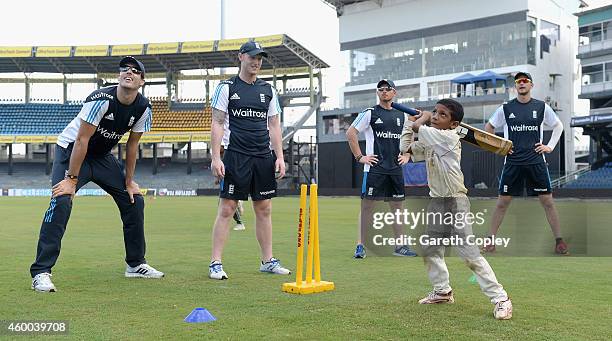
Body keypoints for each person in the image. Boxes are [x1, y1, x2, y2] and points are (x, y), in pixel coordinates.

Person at [30, 56, 164, 292]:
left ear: (142, 81)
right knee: (61, 200)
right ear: (119, 76)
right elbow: (82, 139)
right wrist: (71, 180)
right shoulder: (100, 99)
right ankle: (41, 272)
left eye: (135, 70)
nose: (128, 72)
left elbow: (132, 146)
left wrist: (130, 182)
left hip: (101, 157)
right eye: (124, 69)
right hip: (72, 150)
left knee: (134, 200)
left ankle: (135, 264)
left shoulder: (144, 107)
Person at [400, 99, 512, 320]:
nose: (435, 116)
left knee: (470, 256)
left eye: (442, 115)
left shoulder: (449, 137)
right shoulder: (431, 136)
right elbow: (407, 149)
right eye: (434, 112)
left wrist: (417, 121)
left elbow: (418, 129)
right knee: (431, 250)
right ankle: (442, 291)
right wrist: (408, 123)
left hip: (456, 202)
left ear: (454, 124)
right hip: (436, 202)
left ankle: (501, 299)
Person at [208, 41, 290, 280]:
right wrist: (216, 157)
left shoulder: (268, 90)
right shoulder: (226, 88)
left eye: (260, 58)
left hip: (263, 156)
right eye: (252, 57)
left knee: (264, 208)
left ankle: (267, 261)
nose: (256, 62)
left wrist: (280, 157)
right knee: (228, 208)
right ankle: (215, 262)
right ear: (241, 57)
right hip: (236, 155)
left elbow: (274, 125)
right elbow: (218, 123)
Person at [483, 72, 568, 255]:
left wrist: (549, 147)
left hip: (536, 162)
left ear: (531, 85)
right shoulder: (506, 108)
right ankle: (490, 242)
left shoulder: (542, 106)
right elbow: (488, 127)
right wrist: (500, 147)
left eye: (525, 81)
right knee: (502, 203)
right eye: (518, 81)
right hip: (512, 163)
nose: (521, 84)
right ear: (515, 86)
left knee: (548, 202)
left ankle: (559, 242)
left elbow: (558, 126)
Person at [346, 79, 417, 259]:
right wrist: (360, 157)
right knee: (367, 207)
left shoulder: (402, 115)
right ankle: (360, 245)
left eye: (388, 89)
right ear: (378, 93)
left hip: (395, 169)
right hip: (375, 169)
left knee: (397, 208)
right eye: (381, 89)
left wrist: (407, 155)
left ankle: (400, 246)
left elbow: (410, 137)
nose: (384, 91)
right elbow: (351, 132)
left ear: (395, 93)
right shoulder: (370, 113)